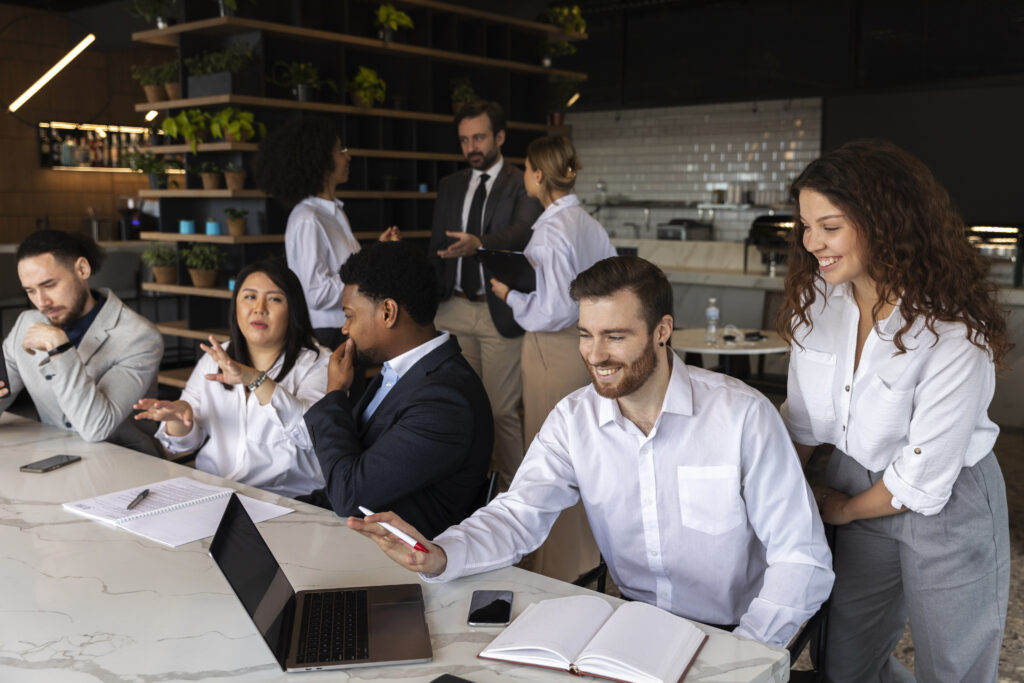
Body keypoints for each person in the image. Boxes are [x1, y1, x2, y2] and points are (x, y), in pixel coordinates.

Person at [349, 256, 834, 648]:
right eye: (586, 334)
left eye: (615, 336)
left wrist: (746, 652)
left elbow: (802, 560)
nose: (595, 355)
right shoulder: (573, 420)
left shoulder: (742, 416)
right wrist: (440, 555)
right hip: (630, 625)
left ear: (662, 331)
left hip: (732, 632)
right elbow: (520, 514)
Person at [778, 139, 1011, 682]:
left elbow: (924, 476)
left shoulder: (953, 328)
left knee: (953, 668)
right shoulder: (818, 299)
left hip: (949, 498)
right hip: (853, 476)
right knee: (842, 661)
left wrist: (844, 511)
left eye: (829, 227)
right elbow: (805, 420)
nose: (812, 243)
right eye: (806, 226)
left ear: (882, 222)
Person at [303, 241, 493, 540]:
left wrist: (335, 392)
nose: (344, 329)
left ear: (388, 312)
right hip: (353, 536)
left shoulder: (444, 401)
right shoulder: (399, 371)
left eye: (349, 315)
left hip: (399, 561)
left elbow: (348, 494)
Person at [489, 135, 616, 582]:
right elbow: (612, 281)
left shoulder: (551, 229)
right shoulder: (588, 224)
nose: (524, 175)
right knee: (586, 450)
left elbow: (554, 308)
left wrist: (510, 296)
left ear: (539, 175)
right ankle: (587, 560)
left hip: (551, 346)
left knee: (552, 457)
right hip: (587, 348)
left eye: (525, 168)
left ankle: (559, 567)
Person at [134, 259, 328, 498]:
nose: (259, 308)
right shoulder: (217, 356)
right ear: (235, 305)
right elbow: (184, 443)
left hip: (288, 500)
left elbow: (312, 435)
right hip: (216, 493)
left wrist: (254, 379)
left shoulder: (318, 363)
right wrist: (178, 417)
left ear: (293, 310)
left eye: (275, 299)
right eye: (249, 297)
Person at [428, 100, 543, 490]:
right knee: (459, 411)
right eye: (464, 140)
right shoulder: (450, 185)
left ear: (499, 137)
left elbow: (521, 235)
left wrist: (480, 244)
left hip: (497, 312)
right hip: (451, 308)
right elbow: (435, 247)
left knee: (500, 412)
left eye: (479, 137)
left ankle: (515, 500)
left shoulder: (520, 183)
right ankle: (470, 493)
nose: (471, 147)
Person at [0, 230, 163, 454]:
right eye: (31, 291)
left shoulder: (139, 337)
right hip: (56, 456)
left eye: (49, 285)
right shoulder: (26, 324)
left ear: (82, 269)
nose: (41, 302)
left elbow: (96, 427)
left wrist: (61, 350)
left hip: (126, 463)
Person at [253, 115, 397, 351]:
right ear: (320, 160)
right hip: (328, 336)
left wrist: (376, 252)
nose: (347, 156)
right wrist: (362, 273)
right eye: (341, 150)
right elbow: (316, 293)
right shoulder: (308, 219)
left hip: (346, 330)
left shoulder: (333, 213)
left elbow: (343, 269)